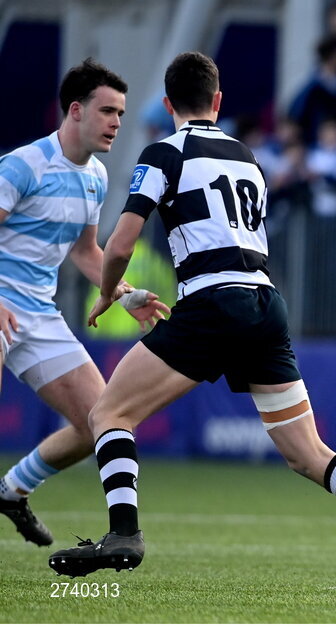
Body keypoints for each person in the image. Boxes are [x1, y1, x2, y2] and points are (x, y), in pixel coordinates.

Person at [47, 52, 336, 592]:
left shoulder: (164, 153)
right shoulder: (249, 158)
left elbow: (120, 244)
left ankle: (124, 533)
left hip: (212, 304)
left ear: (168, 104)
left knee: (109, 414)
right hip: (264, 304)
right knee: (309, 453)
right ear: (217, 101)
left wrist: (107, 293)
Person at [0, 59, 168, 545]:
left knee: (101, 418)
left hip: (37, 314)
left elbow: (85, 252)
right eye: (108, 111)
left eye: (121, 112)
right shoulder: (22, 165)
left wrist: (122, 292)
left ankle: (12, 490)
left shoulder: (94, 177)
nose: (117, 122)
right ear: (75, 110)